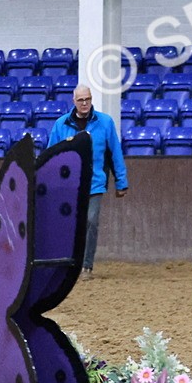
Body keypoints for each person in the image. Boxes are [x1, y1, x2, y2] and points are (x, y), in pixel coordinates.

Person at [48, 84, 128, 281]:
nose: (85, 103)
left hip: (94, 183)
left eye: (88, 99)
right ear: (74, 101)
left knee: (91, 221)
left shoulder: (105, 123)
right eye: (81, 100)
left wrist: (121, 182)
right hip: (67, 185)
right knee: (68, 224)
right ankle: (67, 264)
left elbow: (115, 153)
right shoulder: (60, 125)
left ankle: (86, 266)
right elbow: (51, 154)